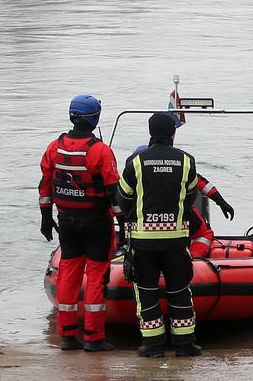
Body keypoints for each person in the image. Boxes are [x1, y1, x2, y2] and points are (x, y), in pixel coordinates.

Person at [38, 94, 120, 352]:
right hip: (96, 223)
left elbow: (45, 185)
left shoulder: (54, 147)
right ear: (95, 119)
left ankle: (67, 336)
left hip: (66, 221)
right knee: (96, 276)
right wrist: (124, 223)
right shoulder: (100, 151)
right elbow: (113, 192)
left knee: (69, 274)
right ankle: (94, 337)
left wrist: (45, 217)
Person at [118, 112, 202, 358]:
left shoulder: (135, 162)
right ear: (173, 133)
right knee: (179, 291)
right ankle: (185, 345)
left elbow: (123, 198)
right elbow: (191, 196)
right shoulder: (186, 160)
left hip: (143, 242)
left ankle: (153, 347)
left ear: (150, 132)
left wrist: (137, 216)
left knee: (145, 292)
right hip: (176, 241)